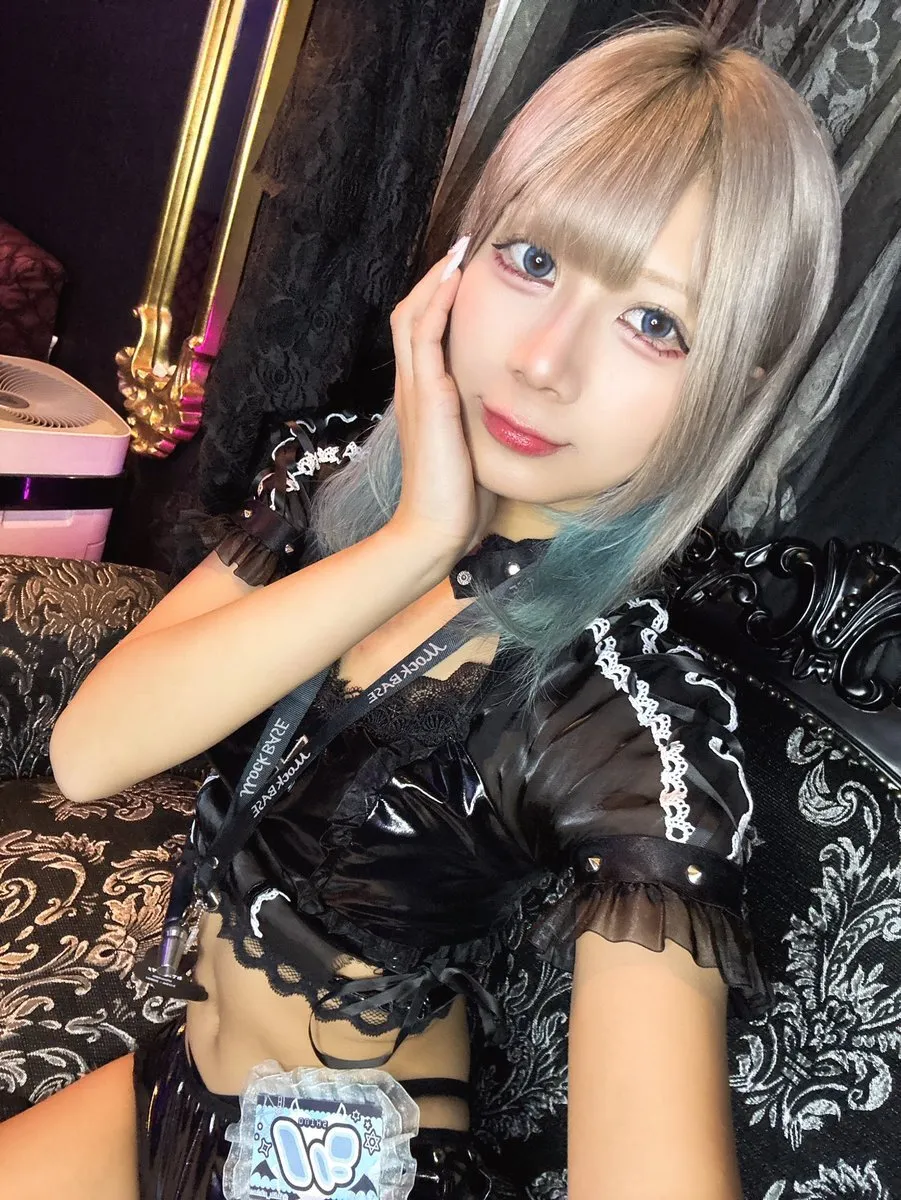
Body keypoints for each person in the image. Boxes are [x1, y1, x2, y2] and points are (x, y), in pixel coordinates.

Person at [2, 23, 840, 1200]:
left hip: (345, 1173)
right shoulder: (338, 478)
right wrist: (413, 542)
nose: (545, 361)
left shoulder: (621, 715)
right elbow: (91, 752)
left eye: (655, 323)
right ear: (461, 253)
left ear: (735, 383)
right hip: (173, 1084)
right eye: (532, 260)